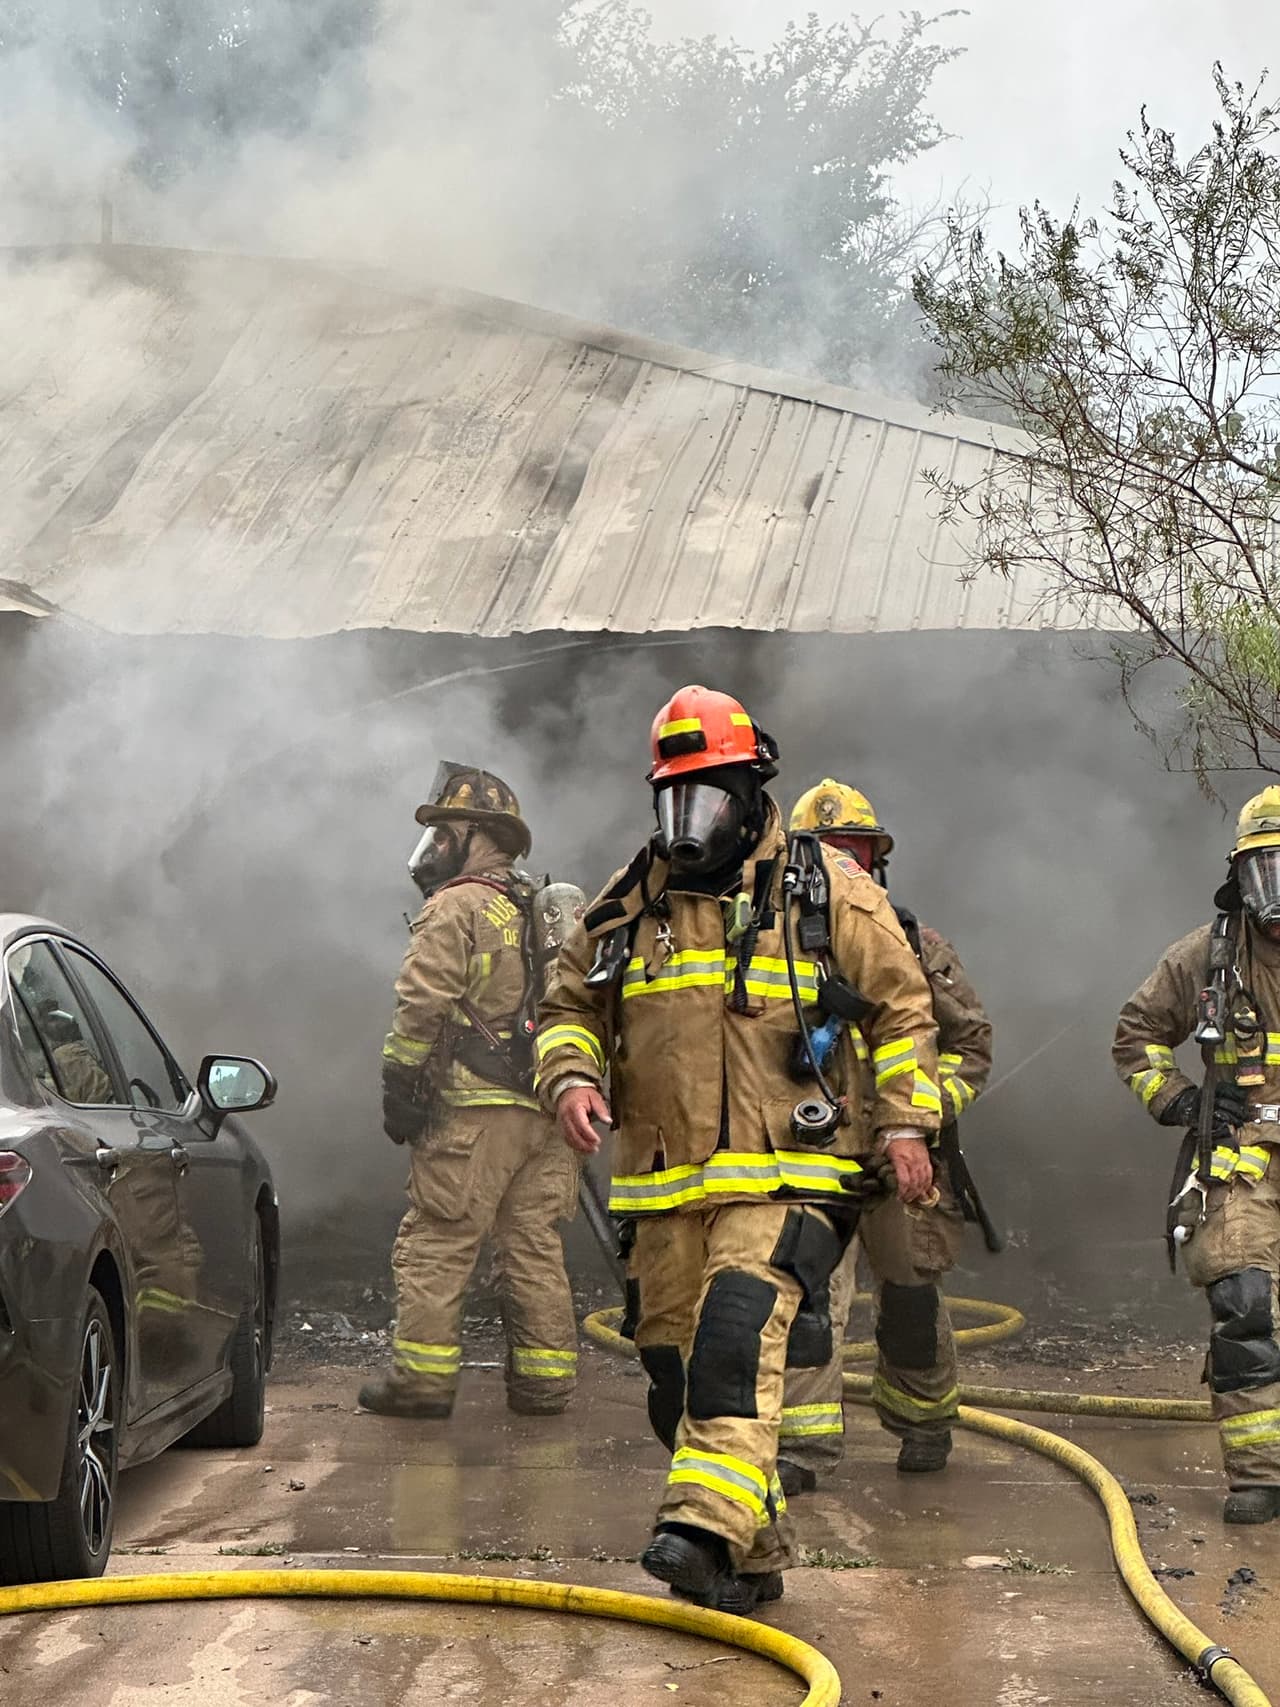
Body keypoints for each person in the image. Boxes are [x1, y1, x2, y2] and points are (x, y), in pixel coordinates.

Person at [536, 687, 941, 1613]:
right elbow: (569, 1005)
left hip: (790, 1175)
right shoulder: (630, 900)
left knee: (733, 1339)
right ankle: (753, 1559)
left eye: (709, 798)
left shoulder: (825, 888)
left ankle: (696, 1530)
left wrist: (905, 1124)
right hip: (665, 1189)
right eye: (676, 799)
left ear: (751, 791)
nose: (692, 821)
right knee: (675, 1381)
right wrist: (572, 1076)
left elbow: (904, 1006)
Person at [776, 780, 993, 1490]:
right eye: (827, 854)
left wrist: (924, 1117)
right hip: (812, 1156)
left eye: (855, 854)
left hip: (903, 1159)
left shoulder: (917, 943)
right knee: (807, 1301)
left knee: (910, 1301)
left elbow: (970, 1045)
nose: (843, 868)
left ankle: (924, 1422)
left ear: (876, 862)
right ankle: (801, 1448)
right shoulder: (773, 948)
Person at [359, 764, 579, 1421]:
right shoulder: (536, 908)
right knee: (533, 1245)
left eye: (445, 832)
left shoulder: (456, 906)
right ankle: (544, 1386)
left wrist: (398, 1084)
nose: (435, 846)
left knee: (437, 1240)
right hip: (546, 1113)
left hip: (474, 1114)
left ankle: (422, 1384)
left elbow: (421, 1003)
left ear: (479, 835)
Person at [1114, 786, 1280, 1525]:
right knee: (1244, 1303)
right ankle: (1261, 1474)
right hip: (1243, 1161)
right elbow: (1136, 1034)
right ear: (1239, 878)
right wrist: (1181, 1099)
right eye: (1265, 871)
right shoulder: (1209, 958)